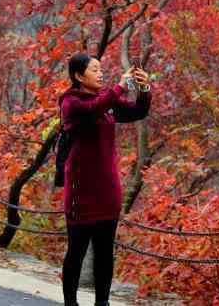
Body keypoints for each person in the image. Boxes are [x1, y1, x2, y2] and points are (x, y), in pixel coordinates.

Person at [59, 53, 152, 306]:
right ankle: (71, 303)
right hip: (81, 187)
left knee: (104, 251)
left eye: (101, 69)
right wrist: (120, 87)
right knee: (76, 250)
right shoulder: (71, 102)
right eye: (94, 70)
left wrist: (143, 88)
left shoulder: (106, 102)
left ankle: (103, 302)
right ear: (79, 76)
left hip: (108, 186)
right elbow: (92, 108)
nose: (100, 73)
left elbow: (137, 112)